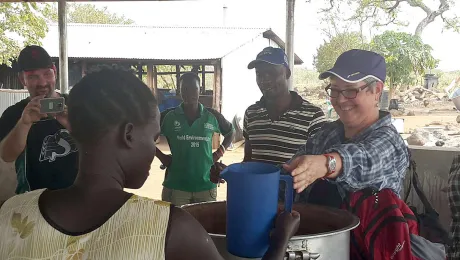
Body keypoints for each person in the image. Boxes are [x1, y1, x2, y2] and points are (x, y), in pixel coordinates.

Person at [0, 67, 300, 260]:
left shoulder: (14, 212)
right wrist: (279, 242)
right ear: (129, 134)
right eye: (153, 137)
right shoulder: (169, 229)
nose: (153, 147)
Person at [282, 49, 445, 259]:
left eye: (350, 91)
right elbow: (290, 174)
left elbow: (364, 159)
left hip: (370, 250)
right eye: (334, 90)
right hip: (318, 248)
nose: (340, 100)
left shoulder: (389, 142)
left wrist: (326, 165)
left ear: (377, 91)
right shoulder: (325, 136)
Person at [0, 45, 78, 194]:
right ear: (22, 79)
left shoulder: (77, 105)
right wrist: (24, 123)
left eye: (47, 74)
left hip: (78, 195)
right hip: (33, 200)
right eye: (33, 76)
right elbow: (7, 155)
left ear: (55, 72)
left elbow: (98, 147)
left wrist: (72, 125)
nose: (42, 82)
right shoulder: (14, 114)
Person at [156, 72, 234, 206]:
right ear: (180, 92)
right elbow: (143, 135)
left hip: (206, 185)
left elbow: (230, 131)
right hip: (176, 187)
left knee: (204, 225)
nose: (189, 93)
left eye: (194, 88)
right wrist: (161, 157)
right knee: (176, 225)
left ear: (200, 89)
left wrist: (219, 153)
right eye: (184, 89)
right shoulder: (168, 117)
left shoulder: (212, 116)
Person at [243, 47, 326, 165]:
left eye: (271, 73)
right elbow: (248, 163)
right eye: (259, 74)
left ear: (287, 73)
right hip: (257, 184)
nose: (264, 80)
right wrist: (227, 171)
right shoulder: (251, 114)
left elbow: (319, 168)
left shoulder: (313, 117)